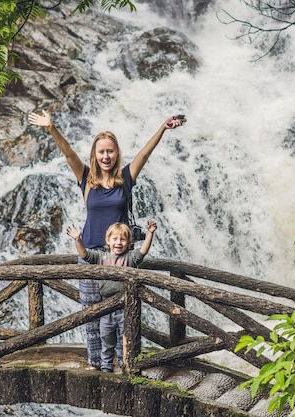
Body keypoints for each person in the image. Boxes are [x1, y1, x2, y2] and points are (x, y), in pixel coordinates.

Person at [28, 109, 184, 370]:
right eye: (101, 152)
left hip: (121, 255)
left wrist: (163, 128)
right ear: (94, 154)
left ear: (116, 153)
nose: (106, 156)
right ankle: (97, 364)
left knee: (125, 308)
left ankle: (127, 362)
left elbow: (145, 153)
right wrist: (51, 127)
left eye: (110, 151)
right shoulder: (86, 179)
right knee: (91, 312)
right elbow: (68, 153)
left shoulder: (125, 178)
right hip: (90, 255)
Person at [66, 220, 157, 372]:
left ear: (128, 242)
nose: (118, 242)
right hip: (106, 308)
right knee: (106, 340)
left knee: (125, 340)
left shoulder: (130, 258)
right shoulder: (101, 257)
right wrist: (78, 239)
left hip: (125, 308)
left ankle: (125, 365)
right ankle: (106, 366)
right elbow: (84, 255)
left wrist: (150, 233)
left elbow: (143, 251)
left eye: (123, 239)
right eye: (115, 239)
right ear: (108, 241)